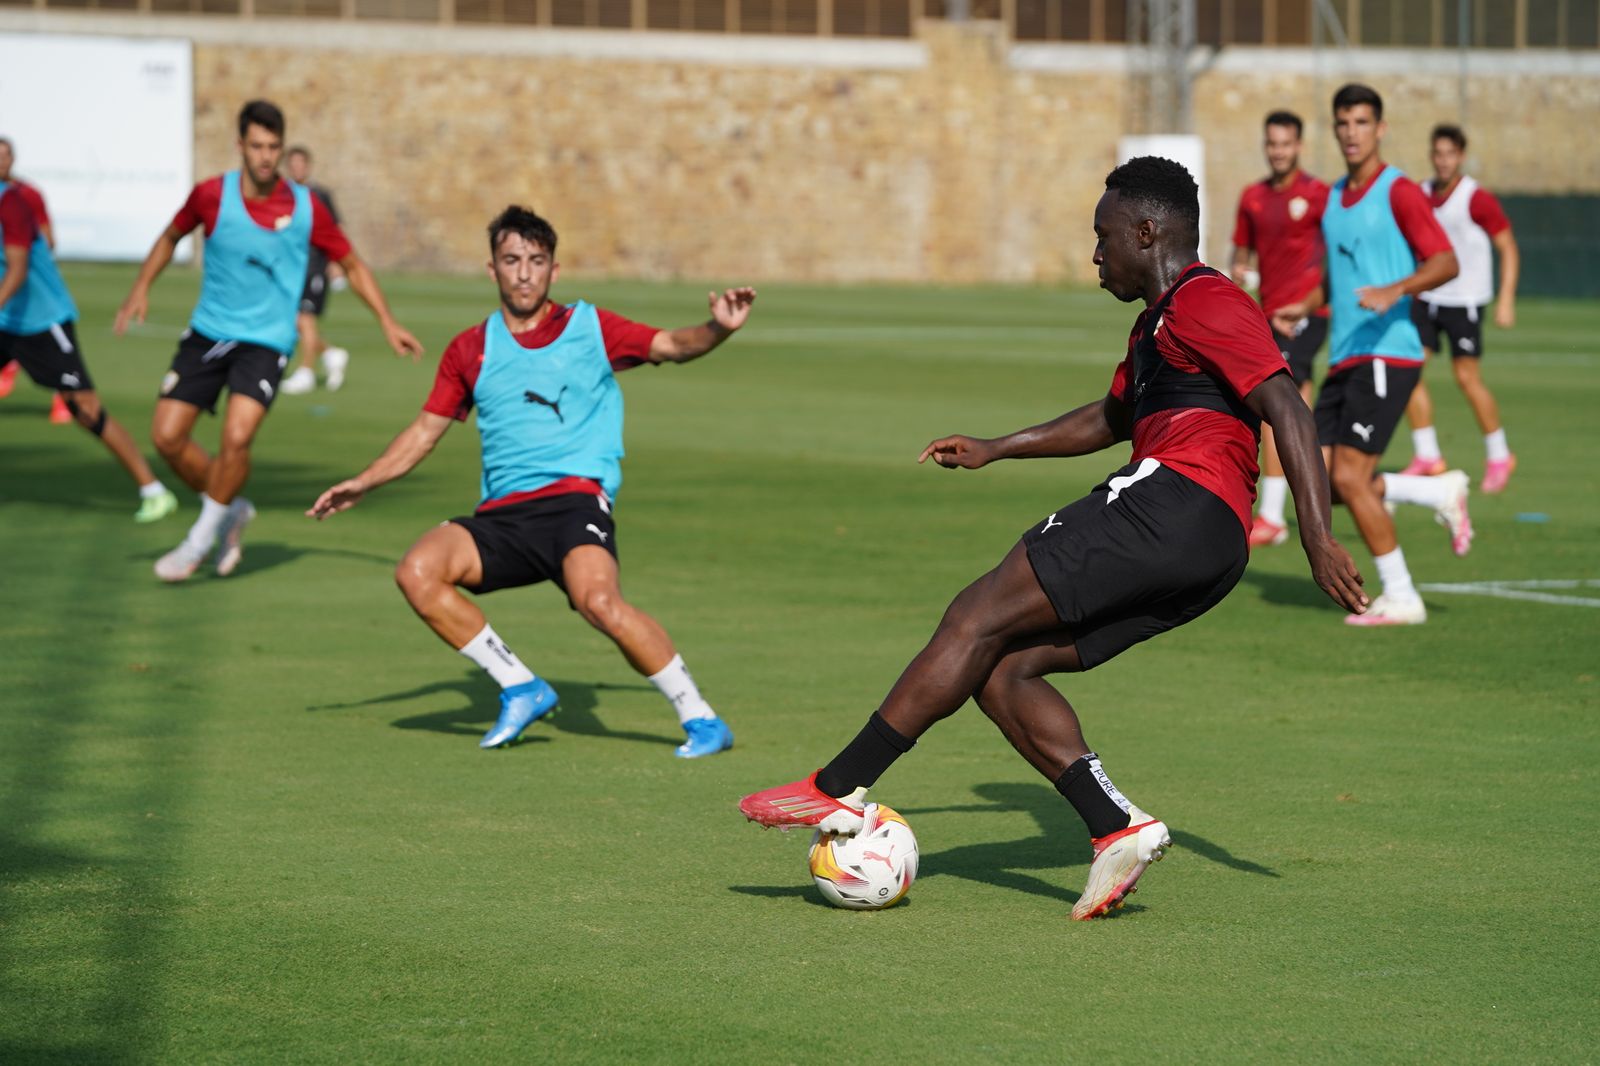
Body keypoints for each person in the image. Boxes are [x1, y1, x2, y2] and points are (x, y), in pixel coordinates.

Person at [739, 157, 1366, 921]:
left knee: (975, 614)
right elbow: (1109, 421)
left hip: (1174, 501)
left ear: (1147, 231)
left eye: (1104, 237)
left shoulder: (1206, 299)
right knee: (1000, 668)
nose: (1096, 254)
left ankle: (836, 786)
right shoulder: (1156, 327)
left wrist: (1316, 534)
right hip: (1207, 547)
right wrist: (999, 446)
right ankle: (1117, 827)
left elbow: (1287, 405)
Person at [307, 206, 755, 758]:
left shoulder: (591, 328)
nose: (524, 273)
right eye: (512, 260)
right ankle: (520, 685)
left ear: (554, 270)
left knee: (599, 603)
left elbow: (670, 345)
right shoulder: (470, 349)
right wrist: (364, 482)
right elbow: (425, 432)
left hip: (573, 502)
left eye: (536, 261)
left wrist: (717, 328)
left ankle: (701, 718)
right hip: (503, 517)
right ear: (492, 269)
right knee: (417, 572)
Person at [114, 100, 422, 582]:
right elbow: (171, 235)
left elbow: (354, 264)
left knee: (237, 437)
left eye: (273, 147)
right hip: (208, 333)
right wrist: (140, 287)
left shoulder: (305, 208)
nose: (265, 156)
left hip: (267, 342)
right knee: (167, 438)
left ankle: (198, 541)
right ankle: (230, 509)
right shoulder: (210, 196)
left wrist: (386, 319)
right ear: (240, 145)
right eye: (256, 146)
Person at [1272, 84, 1467, 627]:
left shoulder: (1400, 190)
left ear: (1379, 129)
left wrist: (1395, 290)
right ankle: (1433, 490)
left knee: (1352, 479)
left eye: (1361, 122)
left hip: (1389, 353)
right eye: (1343, 123)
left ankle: (1403, 595)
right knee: (1324, 483)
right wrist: (1305, 307)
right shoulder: (1334, 199)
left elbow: (1446, 262)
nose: (1351, 132)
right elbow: (1337, 275)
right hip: (1347, 354)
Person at [1, 173, 179, 521]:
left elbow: (18, 269)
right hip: (6, 320)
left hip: (42, 320)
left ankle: (154, 491)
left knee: (83, 406)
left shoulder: (11, 203)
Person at [1398, 124, 1520, 492]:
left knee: (1467, 379)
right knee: (1408, 371)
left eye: (1450, 154)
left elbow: (1508, 247)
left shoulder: (1475, 198)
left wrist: (1506, 298)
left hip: (1464, 300)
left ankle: (1499, 454)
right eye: (1438, 153)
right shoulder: (1420, 192)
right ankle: (1428, 454)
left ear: (1460, 156)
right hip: (1427, 297)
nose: (1443, 160)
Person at [1230, 110, 1331, 549]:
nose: (1278, 151)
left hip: (1308, 315)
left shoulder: (1319, 195)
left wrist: (1313, 299)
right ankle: (1357, 488)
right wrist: (1239, 268)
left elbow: (1335, 253)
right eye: (1272, 143)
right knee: (1301, 418)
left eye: (1286, 143)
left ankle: (1271, 515)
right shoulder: (1252, 197)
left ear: (1299, 146)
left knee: (1274, 410)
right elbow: (1241, 249)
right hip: (1268, 316)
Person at [0, 136, 72, 424]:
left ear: (13, 159)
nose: (0, 161)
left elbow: (48, 238)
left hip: (29, 289)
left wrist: (23, 249)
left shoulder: (26, 195)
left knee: (56, 353)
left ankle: (66, 397)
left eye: (5, 155)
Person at [279, 146, 350, 397]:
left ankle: (305, 373)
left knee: (305, 318)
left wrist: (336, 263)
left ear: (307, 166)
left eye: (301, 164)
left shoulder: (319, 194)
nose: (297, 168)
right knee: (294, 322)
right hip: (290, 267)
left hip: (314, 266)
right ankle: (330, 354)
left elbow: (336, 229)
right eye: (293, 164)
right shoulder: (282, 194)